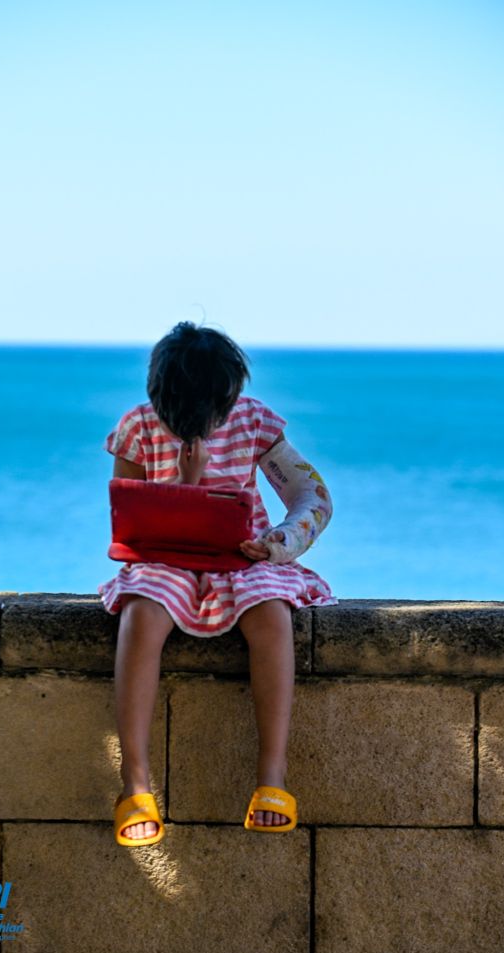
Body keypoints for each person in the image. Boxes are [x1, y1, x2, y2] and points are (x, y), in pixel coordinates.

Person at [98, 320, 338, 847]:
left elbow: (313, 496)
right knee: (142, 614)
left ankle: (272, 775)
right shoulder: (138, 428)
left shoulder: (252, 422)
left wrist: (278, 542)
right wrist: (187, 485)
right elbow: (129, 519)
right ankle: (135, 784)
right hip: (164, 560)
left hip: (244, 558)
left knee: (271, 613)